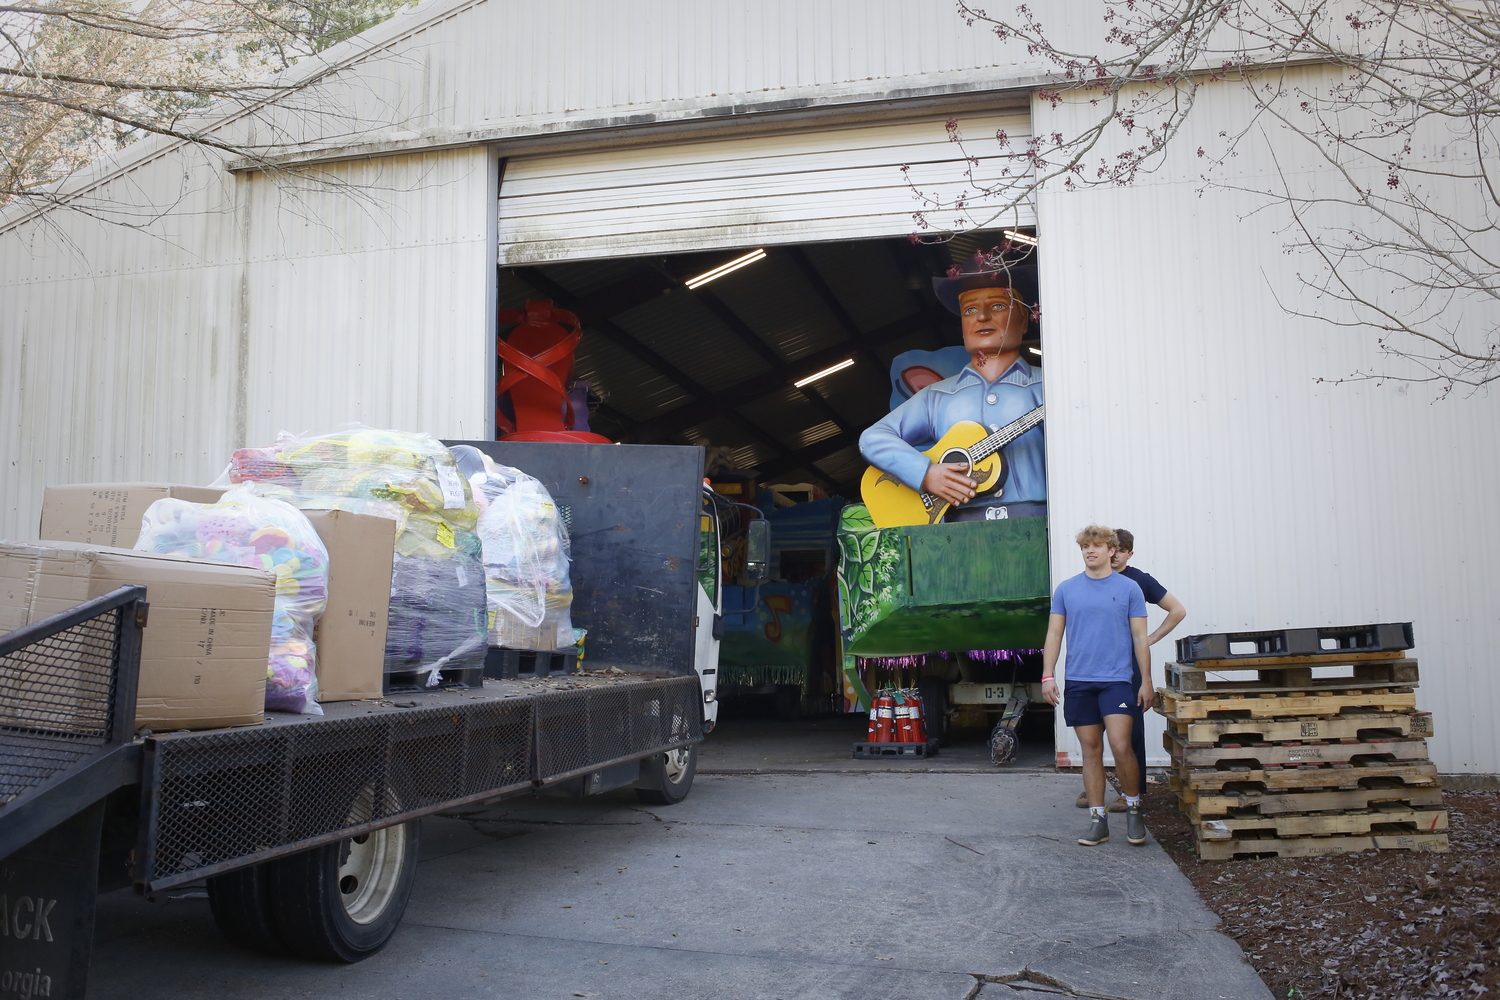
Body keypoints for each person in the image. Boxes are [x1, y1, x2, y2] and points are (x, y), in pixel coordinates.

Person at [859, 252, 1044, 521]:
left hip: (1036, 524)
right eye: (969, 310)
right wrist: (925, 473)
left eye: (998, 306)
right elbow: (872, 439)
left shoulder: (1049, 388)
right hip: (957, 532)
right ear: (962, 326)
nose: (981, 316)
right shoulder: (936, 397)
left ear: (1025, 320)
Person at [1042, 525, 1152, 847]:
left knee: (1121, 746)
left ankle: (1133, 809)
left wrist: (1146, 681)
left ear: (1112, 551)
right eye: (1085, 547)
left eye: (1097, 546)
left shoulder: (1130, 588)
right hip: (1079, 681)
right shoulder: (1066, 589)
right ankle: (1098, 820)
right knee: (1090, 751)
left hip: (1117, 681)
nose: (1090, 551)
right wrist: (1048, 674)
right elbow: (1053, 634)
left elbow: (1140, 637)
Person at [1075, 527, 1188, 811]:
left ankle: (1132, 793)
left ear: (1127, 553)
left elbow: (1177, 610)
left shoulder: (1138, 581)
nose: (1115, 557)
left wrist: (1151, 639)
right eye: (1113, 550)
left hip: (1128, 666)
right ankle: (1094, 791)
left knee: (1130, 730)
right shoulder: (1091, 580)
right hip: (1096, 665)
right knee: (1093, 730)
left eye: (1122, 552)